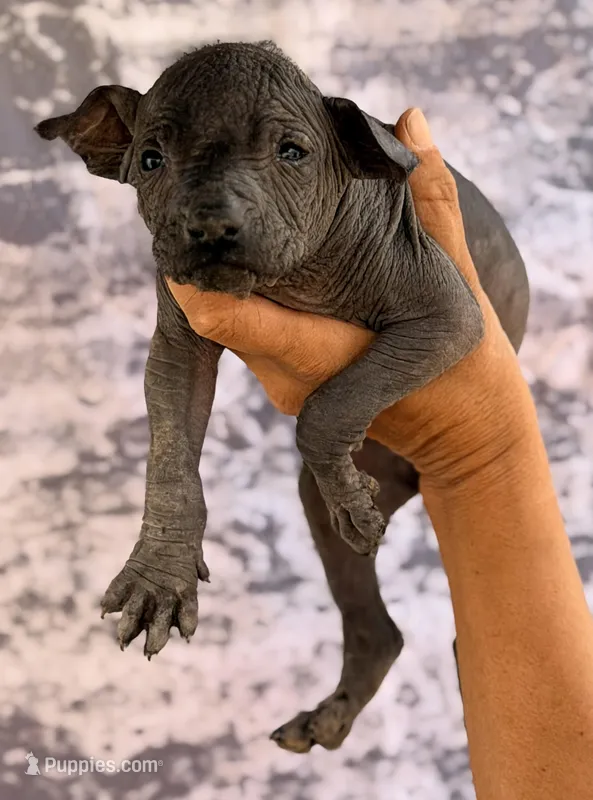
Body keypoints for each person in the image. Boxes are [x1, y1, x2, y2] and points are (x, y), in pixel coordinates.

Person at [167, 109, 593, 799]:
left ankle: (451, 644)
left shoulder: (334, 179)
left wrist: (473, 442)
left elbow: (453, 321)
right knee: (323, 489)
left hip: (459, 316)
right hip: (422, 379)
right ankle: (376, 640)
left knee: (329, 466)